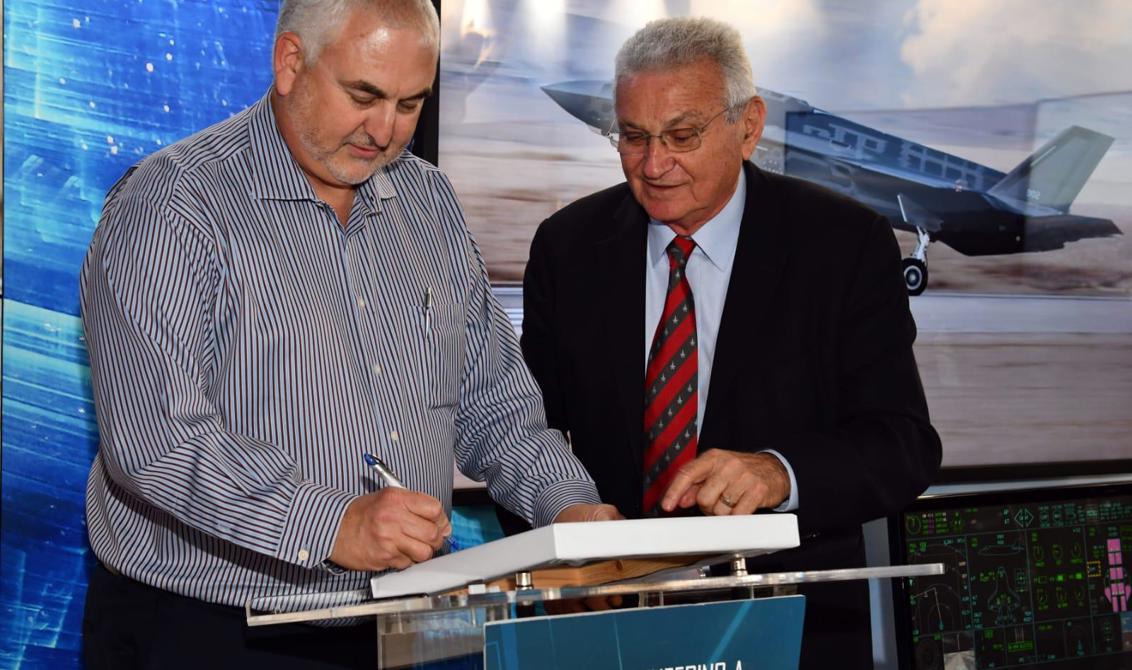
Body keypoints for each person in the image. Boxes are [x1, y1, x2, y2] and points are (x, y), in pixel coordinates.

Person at [79, 1, 617, 668]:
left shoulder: (429, 202)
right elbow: (159, 443)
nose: (386, 131)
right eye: (363, 96)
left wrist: (570, 513)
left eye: (409, 104)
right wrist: (333, 524)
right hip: (210, 631)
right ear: (290, 63)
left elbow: (495, 408)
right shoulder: (171, 206)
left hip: (402, 625)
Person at [519, 17, 942, 670]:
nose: (653, 165)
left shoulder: (842, 245)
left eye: (681, 136)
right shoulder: (568, 247)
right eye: (633, 137)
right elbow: (523, 432)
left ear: (748, 127)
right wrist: (558, 549)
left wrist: (779, 472)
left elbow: (902, 445)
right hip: (610, 623)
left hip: (792, 626)